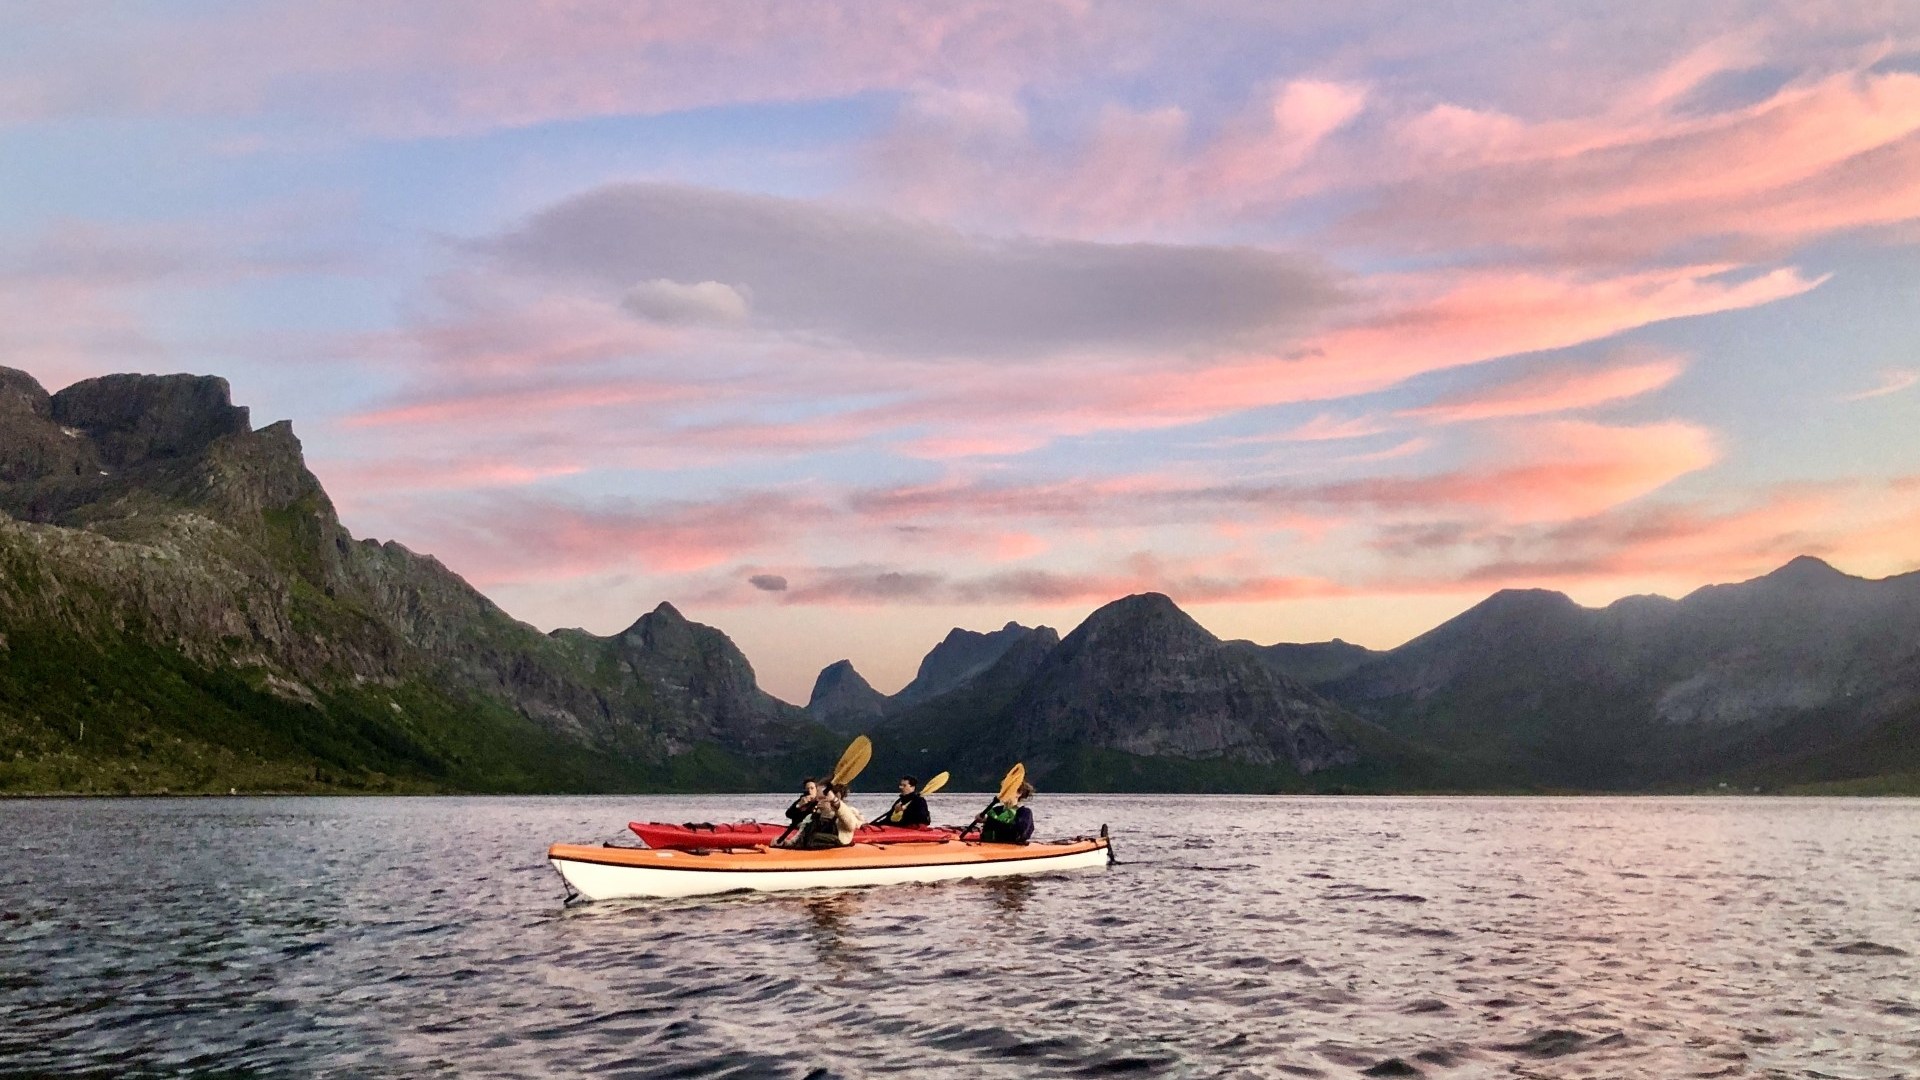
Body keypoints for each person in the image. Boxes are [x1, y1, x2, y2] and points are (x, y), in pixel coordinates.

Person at [797, 783, 864, 849]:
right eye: (818, 798)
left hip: (837, 845)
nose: (818, 802)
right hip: (815, 845)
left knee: (814, 836)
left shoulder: (847, 811)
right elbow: (802, 830)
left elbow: (851, 825)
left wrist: (835, 802)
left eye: (822, 798)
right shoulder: (815, 815)